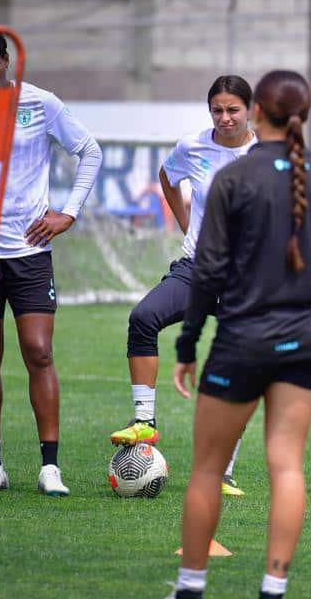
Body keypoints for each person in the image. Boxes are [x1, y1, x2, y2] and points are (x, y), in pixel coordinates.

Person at [170, 69, 311, 599]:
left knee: (206, 468)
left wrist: (187, 343)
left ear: (257, 113)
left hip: (242, 340)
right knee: (287, 465)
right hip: (306, 344)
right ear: (304, 115)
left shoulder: (235, 178)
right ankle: (273, 588)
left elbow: (208, 270)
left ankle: (190, 587)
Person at [0, 32, 102, 496]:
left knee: (38, 350)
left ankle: (50, 467)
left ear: (6, 60)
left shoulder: (39, 104)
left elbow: (89, 151)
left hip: (29, 249)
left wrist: (68, 212)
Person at [110, 75, 257, 497]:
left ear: (249, 110)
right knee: (143, 317)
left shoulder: (267, 154)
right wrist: (186, 222)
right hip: (196, 266)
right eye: (217, 110)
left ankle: (223, 469)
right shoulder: (192, 146)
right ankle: (144, 421)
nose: (225, 118)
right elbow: (167, 176)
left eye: (233, 110)